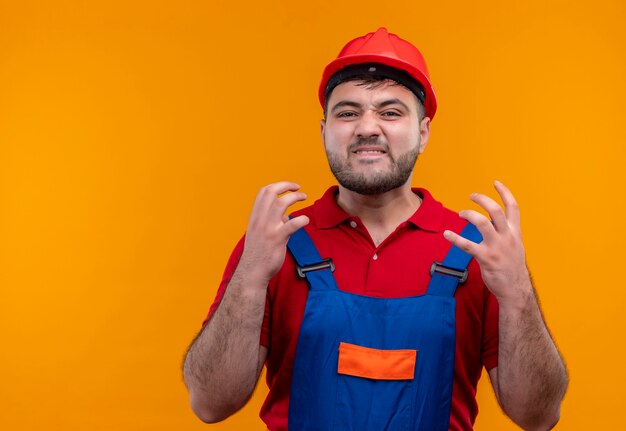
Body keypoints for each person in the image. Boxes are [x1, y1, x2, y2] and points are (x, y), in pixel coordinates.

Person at [183, 28, 568, 430]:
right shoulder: (276, 242)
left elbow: (538, 417)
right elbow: (210, 404)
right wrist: (249, 278)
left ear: (423, 133)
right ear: (324, 131)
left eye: (390, 112)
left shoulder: (476, 250)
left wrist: (518, 291)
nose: (367, 127)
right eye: (348, 113)